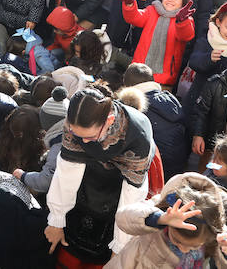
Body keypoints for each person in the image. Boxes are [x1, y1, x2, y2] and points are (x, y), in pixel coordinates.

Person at [44, 86, 156, 267]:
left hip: (119, 191)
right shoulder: (75, 123)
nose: (83, 142)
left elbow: (131, 198)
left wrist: (119, 249)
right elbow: (66, 172)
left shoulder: (138, 138)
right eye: (76, 135)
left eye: (90, 137)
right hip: (87, 183)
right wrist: (56, 219)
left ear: (110, 120)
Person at [107, 172, 227, 269]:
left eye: (193, 247)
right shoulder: (165, 208)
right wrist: (160, 219)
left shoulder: (213, 230)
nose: (184, 249)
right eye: (177, 242)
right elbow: (123, 218)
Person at [115, 0, 195, 87]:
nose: (170, 0)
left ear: (183, 3)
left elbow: (186, 36)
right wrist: (130, 2)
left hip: (164, 77)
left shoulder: (185, 19)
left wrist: (182, 21)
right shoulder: (152, 10)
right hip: (139, 71)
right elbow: (135, 18)